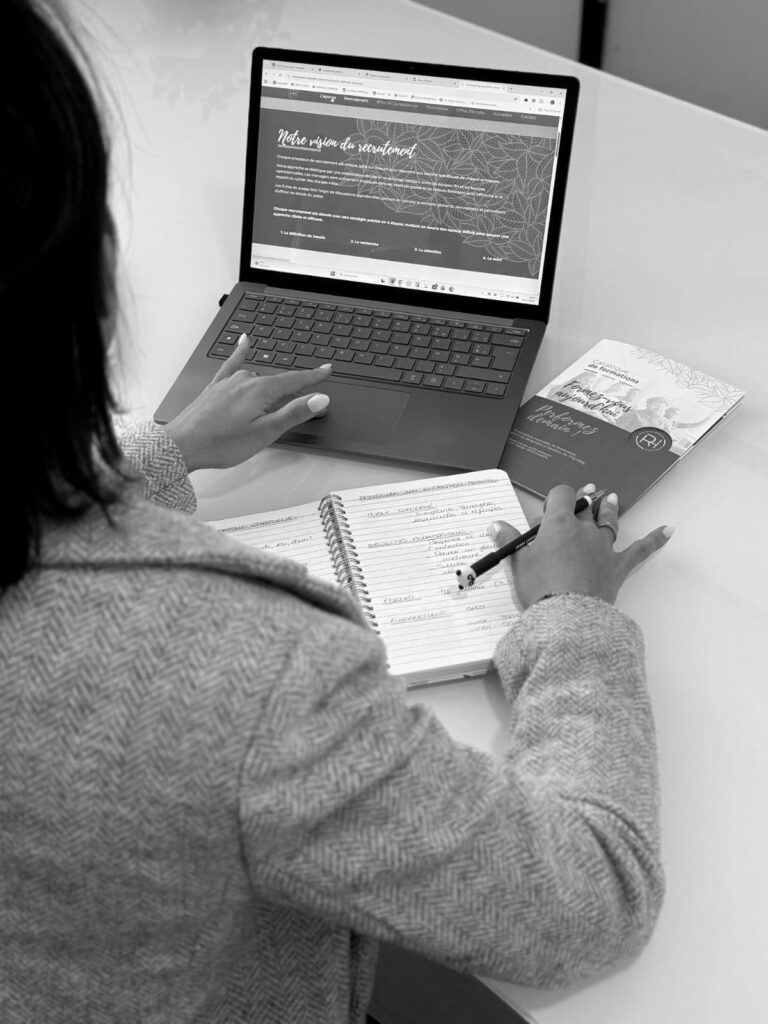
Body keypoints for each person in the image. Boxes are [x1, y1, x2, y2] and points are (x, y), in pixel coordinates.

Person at [0, 2, 673, 1021]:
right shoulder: (250, 676)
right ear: (90, 280)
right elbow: (591, 897)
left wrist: (160, 452)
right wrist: (573, 623)